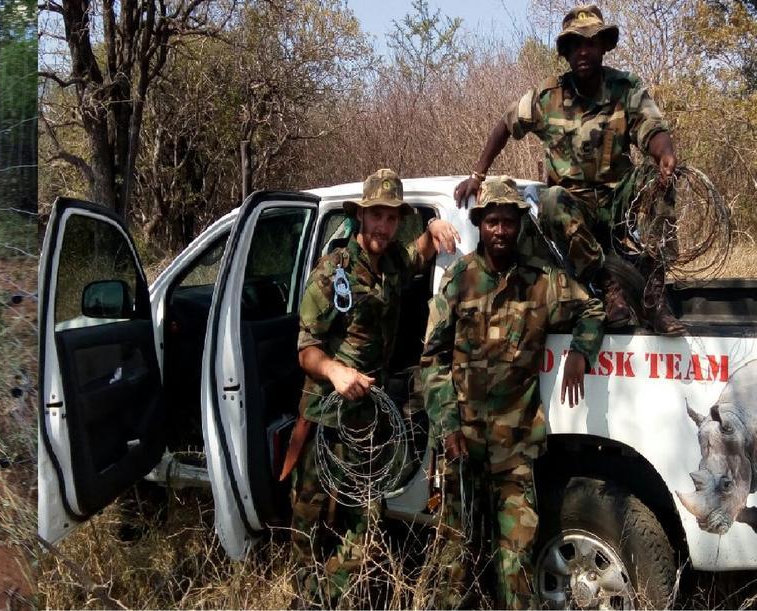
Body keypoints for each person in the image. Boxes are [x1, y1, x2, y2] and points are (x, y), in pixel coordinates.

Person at [421, 177, 605, 608]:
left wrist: (581, 351)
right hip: (461, 446)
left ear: (520, 224)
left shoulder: (542, 282)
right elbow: (431, 359)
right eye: (492, 221)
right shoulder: (459, 278)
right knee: (453, 559)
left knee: (516, 560)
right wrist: (447, 426)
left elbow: (592, 306)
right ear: (479, 223)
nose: (500, 230)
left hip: (515, 450)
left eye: (508, 221)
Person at [283, 168, 459, 606]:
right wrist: (335, 371)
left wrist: (434, 228)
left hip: (370, 423)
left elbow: (418, 256)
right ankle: (304, 598)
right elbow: (305, 348)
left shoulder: (394, 260)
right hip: (326, 419)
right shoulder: (333, 271)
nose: (383, 225)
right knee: (308, 526)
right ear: (361, 217)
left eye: (392, 217)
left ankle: (326, 595)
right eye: (376, 215)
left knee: (364, 535)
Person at [452, 4, 684, 336]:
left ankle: (654, 294)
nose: (584, 51)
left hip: (620, 199)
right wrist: (477, 175)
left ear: (604, 46)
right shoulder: (548, 96)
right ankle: (609, 287)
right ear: (566, 52)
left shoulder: (626, 88)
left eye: (591, 42)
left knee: (658, 178)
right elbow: (505, 124)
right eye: (575, 45)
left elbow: (652, 128)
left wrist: (666, 154)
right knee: (551, 200)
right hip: (575, 209)